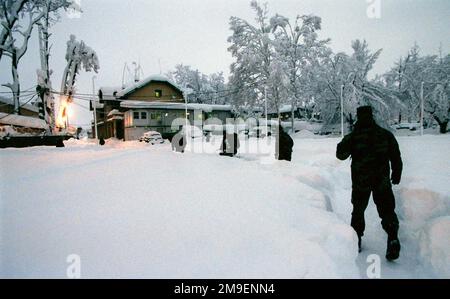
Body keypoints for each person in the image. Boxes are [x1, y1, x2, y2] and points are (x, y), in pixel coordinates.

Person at [336, 106, 403, 261]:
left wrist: (349, 137)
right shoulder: (385, 135)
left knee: (358, 211)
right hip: (382, 181)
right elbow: (396, 156)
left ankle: (356, 239)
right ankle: (393, 237)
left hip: (361, 181)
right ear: (372, 116)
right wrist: (397, 173)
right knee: (387, 210)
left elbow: (340, 155)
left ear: (359, 117)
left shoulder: (354, 137)